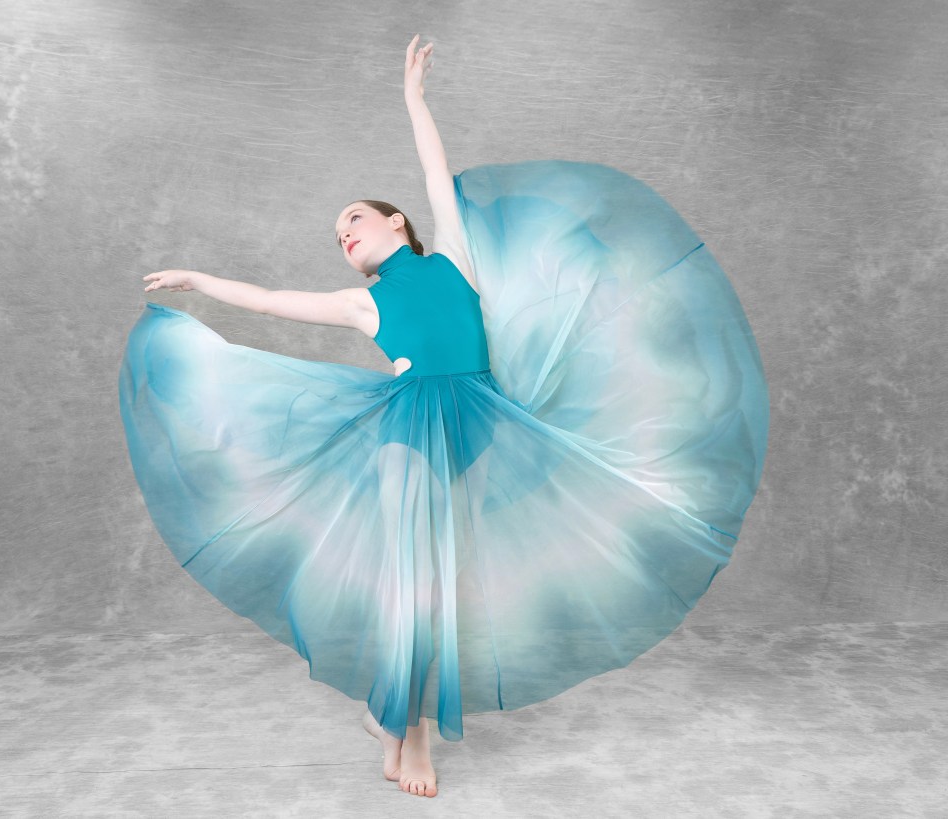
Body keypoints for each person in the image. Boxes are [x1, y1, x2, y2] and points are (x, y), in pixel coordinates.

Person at [121, 35, 769, 800]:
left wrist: (414, 102)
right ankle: (412, 733)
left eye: (354, 218)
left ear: (397, 222)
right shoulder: (363, 303)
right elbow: (267, 300)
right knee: (417, 585)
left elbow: (435, 172)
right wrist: (197, 278)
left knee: (428, 583)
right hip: (409, 432)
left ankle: (390, 713)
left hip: (477, 423)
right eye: (337, 237)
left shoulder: (451, 260)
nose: (345, 234)